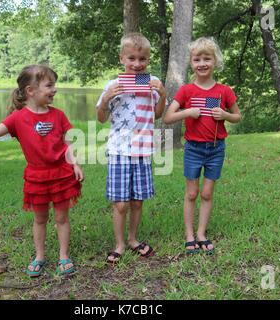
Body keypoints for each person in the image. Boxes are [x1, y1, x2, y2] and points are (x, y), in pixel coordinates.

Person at [0, 65, 83, 276]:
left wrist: (75, 163)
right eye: (49, 85)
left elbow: (69, 141)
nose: (54, 89)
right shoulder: (18, 118)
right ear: (31, 90)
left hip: (61, 174)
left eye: (54, 85)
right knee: (40, 219)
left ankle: (63, 256)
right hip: (37, 177)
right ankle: (39, 256)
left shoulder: (58, 115)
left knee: (61, 218)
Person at [163, 37, 241, 255]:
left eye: (207, 58)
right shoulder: (186, 91)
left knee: (207, 193)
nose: (202, 63)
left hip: (216, 149)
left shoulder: (224, 91)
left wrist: (225, 114)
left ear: (214, 61)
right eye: (197, 59)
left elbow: (237, 116)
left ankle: (201, 233)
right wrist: (187, 112)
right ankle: (189, 235)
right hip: (194, 149)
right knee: (191, 193)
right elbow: (168, 117)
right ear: (191, 62)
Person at [96, 32, 167, 263]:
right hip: (119, 151)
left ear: (148, 60)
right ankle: (119, 244)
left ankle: (133, 239)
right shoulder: (112, 85)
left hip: (143, 151)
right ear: (122, 59)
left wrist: (162, 93)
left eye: (142, 59)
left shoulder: (153, 82)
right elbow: (101, 118)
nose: (137, 64)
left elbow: (157, 115)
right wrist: (106, 98)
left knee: (137, 201)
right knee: (120, 203)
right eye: (132, 58)